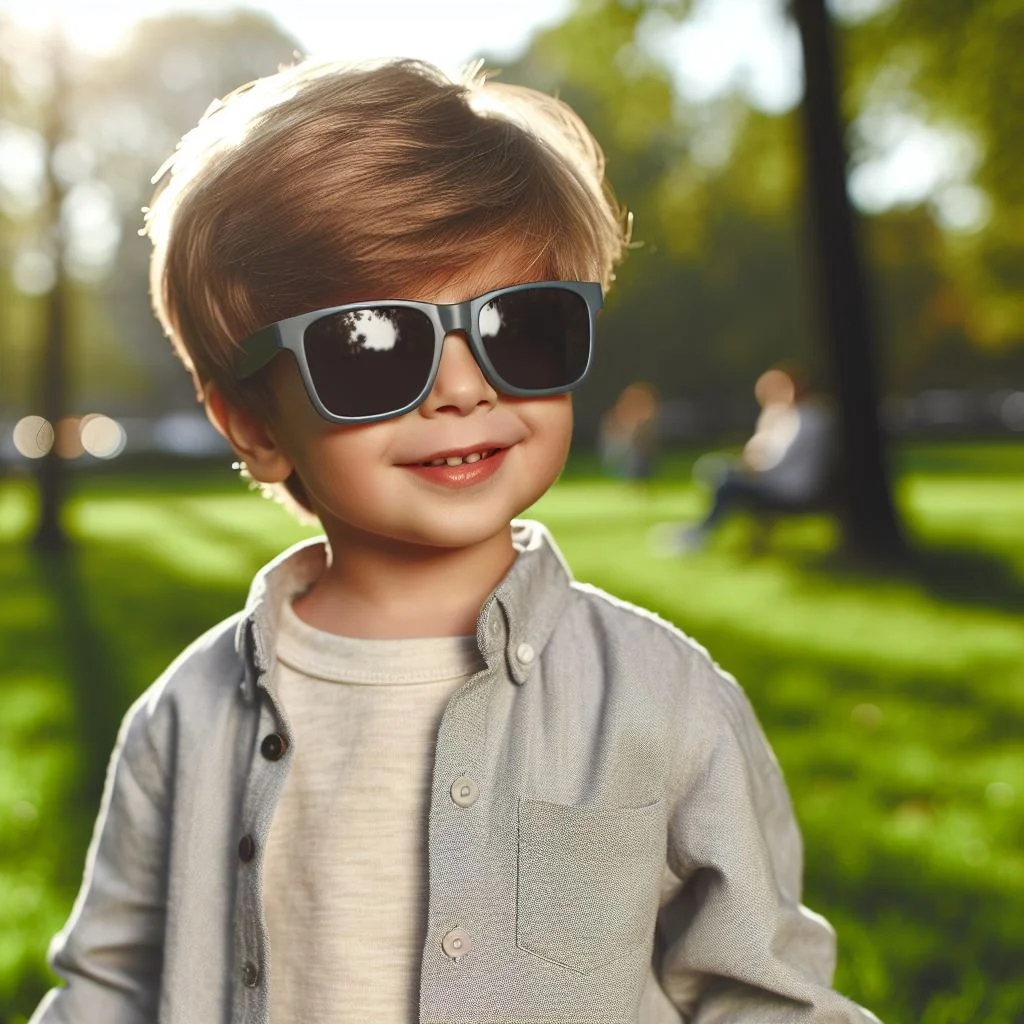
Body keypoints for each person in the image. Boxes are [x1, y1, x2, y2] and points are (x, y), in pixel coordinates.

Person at [29, 58, 878, 1024]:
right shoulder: (182, 721)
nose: (464, 388)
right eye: (371, 345)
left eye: (521, 330)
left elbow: (764, 994)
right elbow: (108, 991)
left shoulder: (664, 700)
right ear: (256, 427)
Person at [669, 365, 835, 552]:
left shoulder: (807, 418)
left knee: (726, 483)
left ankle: (700, 535)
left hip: (790, 489)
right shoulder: (794, 417)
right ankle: (701, 530)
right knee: (720, 472)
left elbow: (778, 460)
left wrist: (750, 467)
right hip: (782, 483)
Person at [598, 381, 660, 488]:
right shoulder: (614, 419)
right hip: (619, 457)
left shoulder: (646, 423)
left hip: (640, 458)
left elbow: (649, 442)